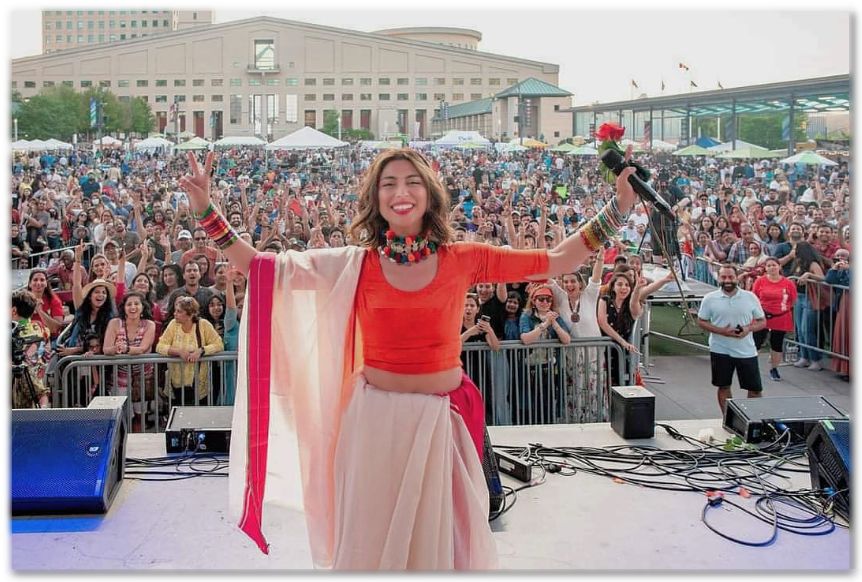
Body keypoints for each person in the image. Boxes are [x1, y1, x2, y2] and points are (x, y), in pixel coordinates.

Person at [178, 147, 639, 569]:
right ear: (375, 199)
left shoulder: (465, 258)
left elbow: (557, 259)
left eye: (412, 181)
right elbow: (259, 266)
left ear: (430, 194)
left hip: (442, 427)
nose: (401, 192)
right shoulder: (355, 264)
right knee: (374, 547)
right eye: (389, 183)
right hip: (373, 427)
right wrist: (205, 209)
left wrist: (619, 206)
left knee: (439, 552)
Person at [697, 263, 767, 416]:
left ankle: (752, 420)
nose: (727, 280)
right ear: (718, 278)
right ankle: (728, 419)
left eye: (730, 277)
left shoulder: (750, 297)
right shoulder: (710, 298)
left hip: (746, 350)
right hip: (720, 350)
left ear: (737, 278)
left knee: (755, 389)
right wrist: (722, 331)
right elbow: (701, 321)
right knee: (723, 386)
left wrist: (747, 329)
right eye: (723, 277)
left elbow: (762, 322)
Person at [156, 296, 224, 407]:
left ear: (190, 314)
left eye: (179, 311)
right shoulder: (173, 324)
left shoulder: (203, 325)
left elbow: (219, 344)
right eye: (175, 310)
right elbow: (160, 346)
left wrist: (201, 351)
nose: (174, 314)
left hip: (198, 385)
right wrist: (178, 352)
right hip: (175, 384)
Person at [102, 291, 157, 430]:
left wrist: (125, 349)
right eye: (129, 304)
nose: (133, 307)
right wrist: (115, 348)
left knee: (140, 415)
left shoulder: (149, 325)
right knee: (122, 416)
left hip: (143, 376)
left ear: (143, 307)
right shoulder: (115, 323)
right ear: (124, 308)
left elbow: (143, 348)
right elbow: (106, 349)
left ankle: (137, 441)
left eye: (136, 304)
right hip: (119, 377)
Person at [751, 257, 797, 381]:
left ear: (779, 266)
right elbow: (754, 297)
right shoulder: (760, 281)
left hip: (780, 317)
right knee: (756, 342)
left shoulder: (788, 283)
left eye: (774, 265)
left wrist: (782, 309)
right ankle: (751, 368)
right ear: (765, 268)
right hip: (762, 316)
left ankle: (774, 368)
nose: (772, 268)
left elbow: (793, 300)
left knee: (776, 344)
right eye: (769, 265)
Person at [597, 272, 645, 385]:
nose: (623, 288)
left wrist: (638, 288)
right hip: (605, 350)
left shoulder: (631, 306)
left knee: (622, 383)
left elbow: (634, 303)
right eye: (620, 284)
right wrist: (622, 342)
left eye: (627, 285)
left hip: (624, 354)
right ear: (613, 287)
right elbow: (603, 323)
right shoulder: (604, 300)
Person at [11, 290, 52, 409]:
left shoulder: (12, 332)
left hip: (19, 379)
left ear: (14, 310)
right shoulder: (40, 327)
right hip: (38, 376)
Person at [790, 242, 827, 371]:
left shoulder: (812, 263)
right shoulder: (797, 263)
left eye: (795, 249)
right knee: (800, 330)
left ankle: (816, 359)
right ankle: (804, 356)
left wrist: (809, 275)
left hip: (809, 298)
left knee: (807, 330)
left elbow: (822, 278)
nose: (793, 251)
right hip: (798, 297)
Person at [824, 249, 850, 381]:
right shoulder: (838, 269)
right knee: (843, 334)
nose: (840, 258)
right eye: (838, 256)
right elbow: (829, 280)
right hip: (843, 303)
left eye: (843, 256)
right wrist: (834, 269)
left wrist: (849, 270)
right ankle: (844, 369)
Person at [26, 269, 65, 339]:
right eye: (35, 280)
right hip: (27, 337)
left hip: (50, 338)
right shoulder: (22, 300)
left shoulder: (54, 300)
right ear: (29, 284)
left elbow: (56, 329)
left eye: (42, 280)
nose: (38, 283)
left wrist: (40, 311)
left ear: (46, 283)